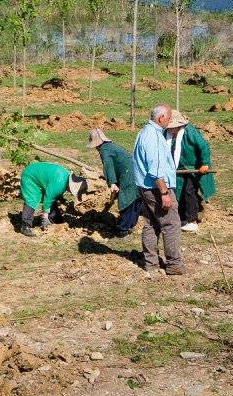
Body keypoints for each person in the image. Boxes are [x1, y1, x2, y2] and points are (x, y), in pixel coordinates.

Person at [133, 106, 185, 276]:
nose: (170, 121)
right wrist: (164, 193)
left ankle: (151, 263)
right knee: (171, 224)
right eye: (169, 118)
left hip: (145, 186)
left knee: (151, 224)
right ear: (161, 118)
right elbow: (155, 168)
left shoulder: (144, 132)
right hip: (156, 187)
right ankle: (173, 264)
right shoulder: (153, 136)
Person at [169, 114, 214, 233]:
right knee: (179, 192)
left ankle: (192, 220)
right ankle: (182, 218)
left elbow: (203, 146)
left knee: (189, 191)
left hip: (194, 168)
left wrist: (204, 163)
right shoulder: (170, 135)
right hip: (180, 168)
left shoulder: (190, 132)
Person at [18, 161, 87, 237]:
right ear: (70, 186)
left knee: (53, 199)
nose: (70, 192)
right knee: (32, 200)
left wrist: (61, 199)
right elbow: (48, 198)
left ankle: (55, 219)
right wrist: (45, 217)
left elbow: (53, 194)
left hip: (39, 175)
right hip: (30, 176)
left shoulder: (65, 178)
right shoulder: (59, 184)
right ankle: (25, 227)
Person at [90, 129, 138, 237]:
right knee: (135, 198)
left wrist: (112, 183)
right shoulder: (111, 146)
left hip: (128, 174)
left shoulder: (104, 150)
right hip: (135, 171)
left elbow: (108, 165)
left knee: (126, 199)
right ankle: (131, 224)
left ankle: (122, 230)